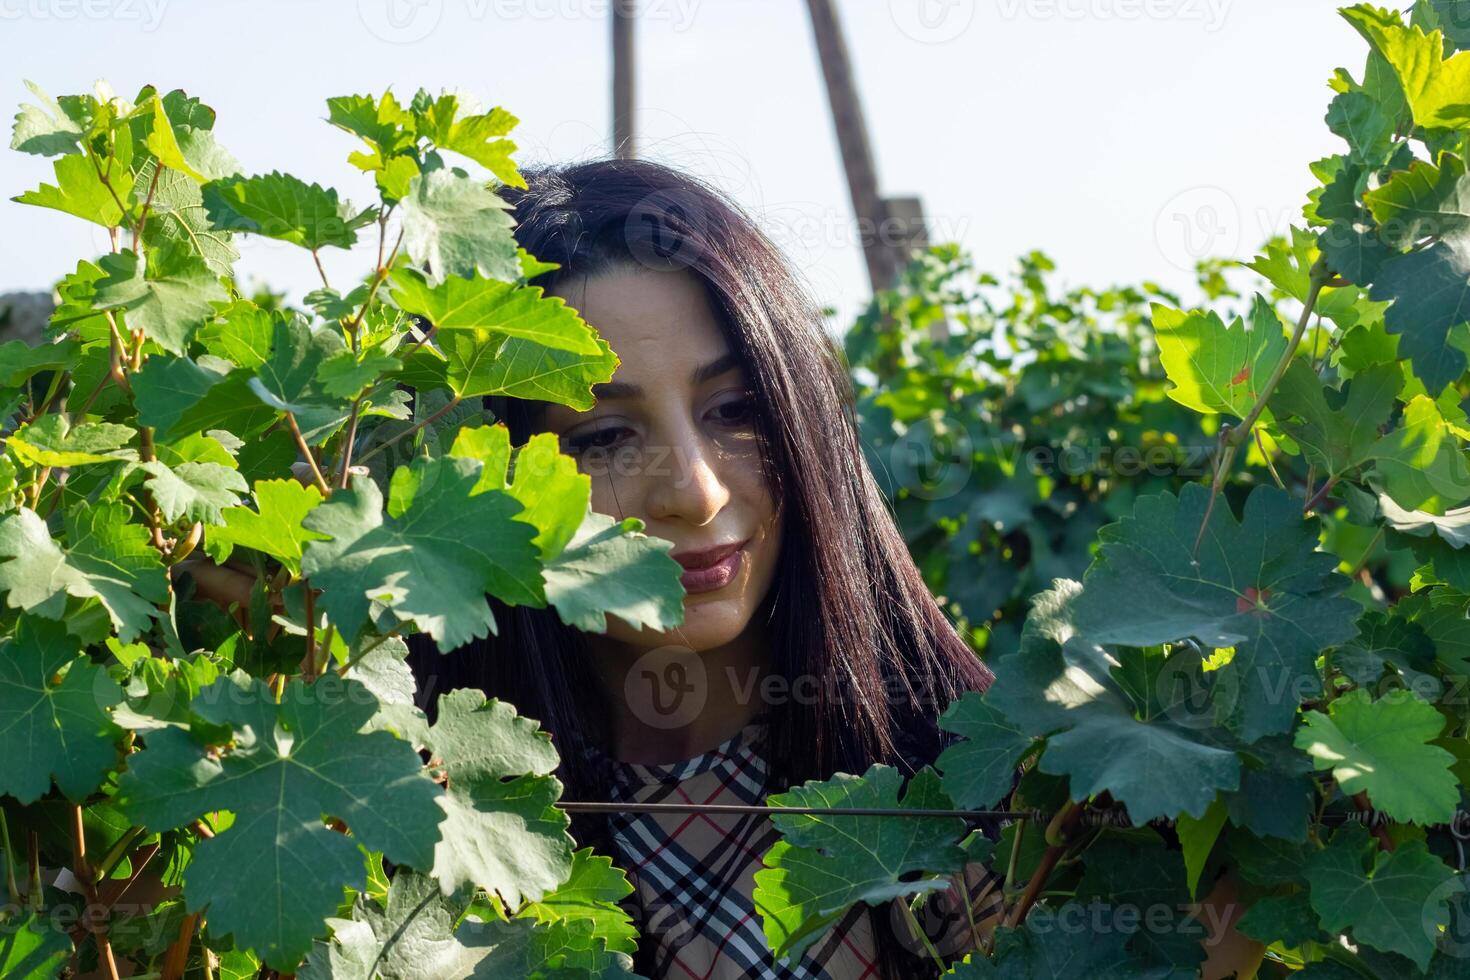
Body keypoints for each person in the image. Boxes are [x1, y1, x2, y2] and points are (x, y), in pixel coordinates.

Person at [403, 157, 1004, 979]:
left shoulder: (998, 799)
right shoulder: (399, 818)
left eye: (736, 410)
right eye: (602, 437)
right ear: (481, 477)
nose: (694, 490)